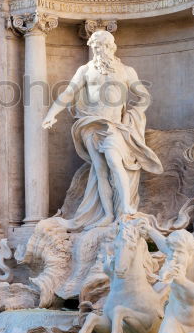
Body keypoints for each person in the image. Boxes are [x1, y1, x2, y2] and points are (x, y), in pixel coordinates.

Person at [43, 30, 162, 230]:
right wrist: (51, 113)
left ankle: (126, 207)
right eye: (95, 46)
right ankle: (107, 214)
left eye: (103, 46)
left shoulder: (126, 71)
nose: (99, 50)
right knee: (100, 170)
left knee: (115, 162)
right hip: (90, 124)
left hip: (114, 126)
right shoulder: (86, 70)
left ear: (111, 46)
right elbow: (69, 92)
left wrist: (132, 116)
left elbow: (144, 96)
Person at [142, 224, 194, 333]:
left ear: (190, 252)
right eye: (171, 251)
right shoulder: (174, 253)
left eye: (179, 252)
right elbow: (163, 243)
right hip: (175, 317)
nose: (174, 256)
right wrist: (149, 229)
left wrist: (183, 282)